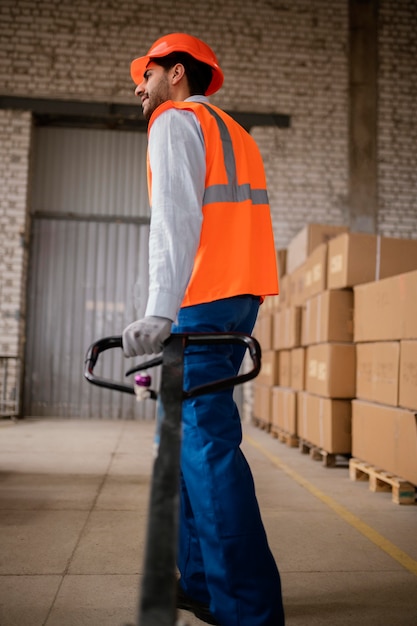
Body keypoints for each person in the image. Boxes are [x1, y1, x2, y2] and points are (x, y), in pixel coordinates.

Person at [123, 33, 285, 626]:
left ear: (178, 73)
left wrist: (161, 310)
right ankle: (199, 582)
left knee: (207, 447)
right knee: (183, 444)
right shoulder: (236, 133)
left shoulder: (174, 121)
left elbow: (174, 218)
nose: (140, 87)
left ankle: (247, 609)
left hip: (200, 301)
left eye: (148, 74)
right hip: (236, 299)